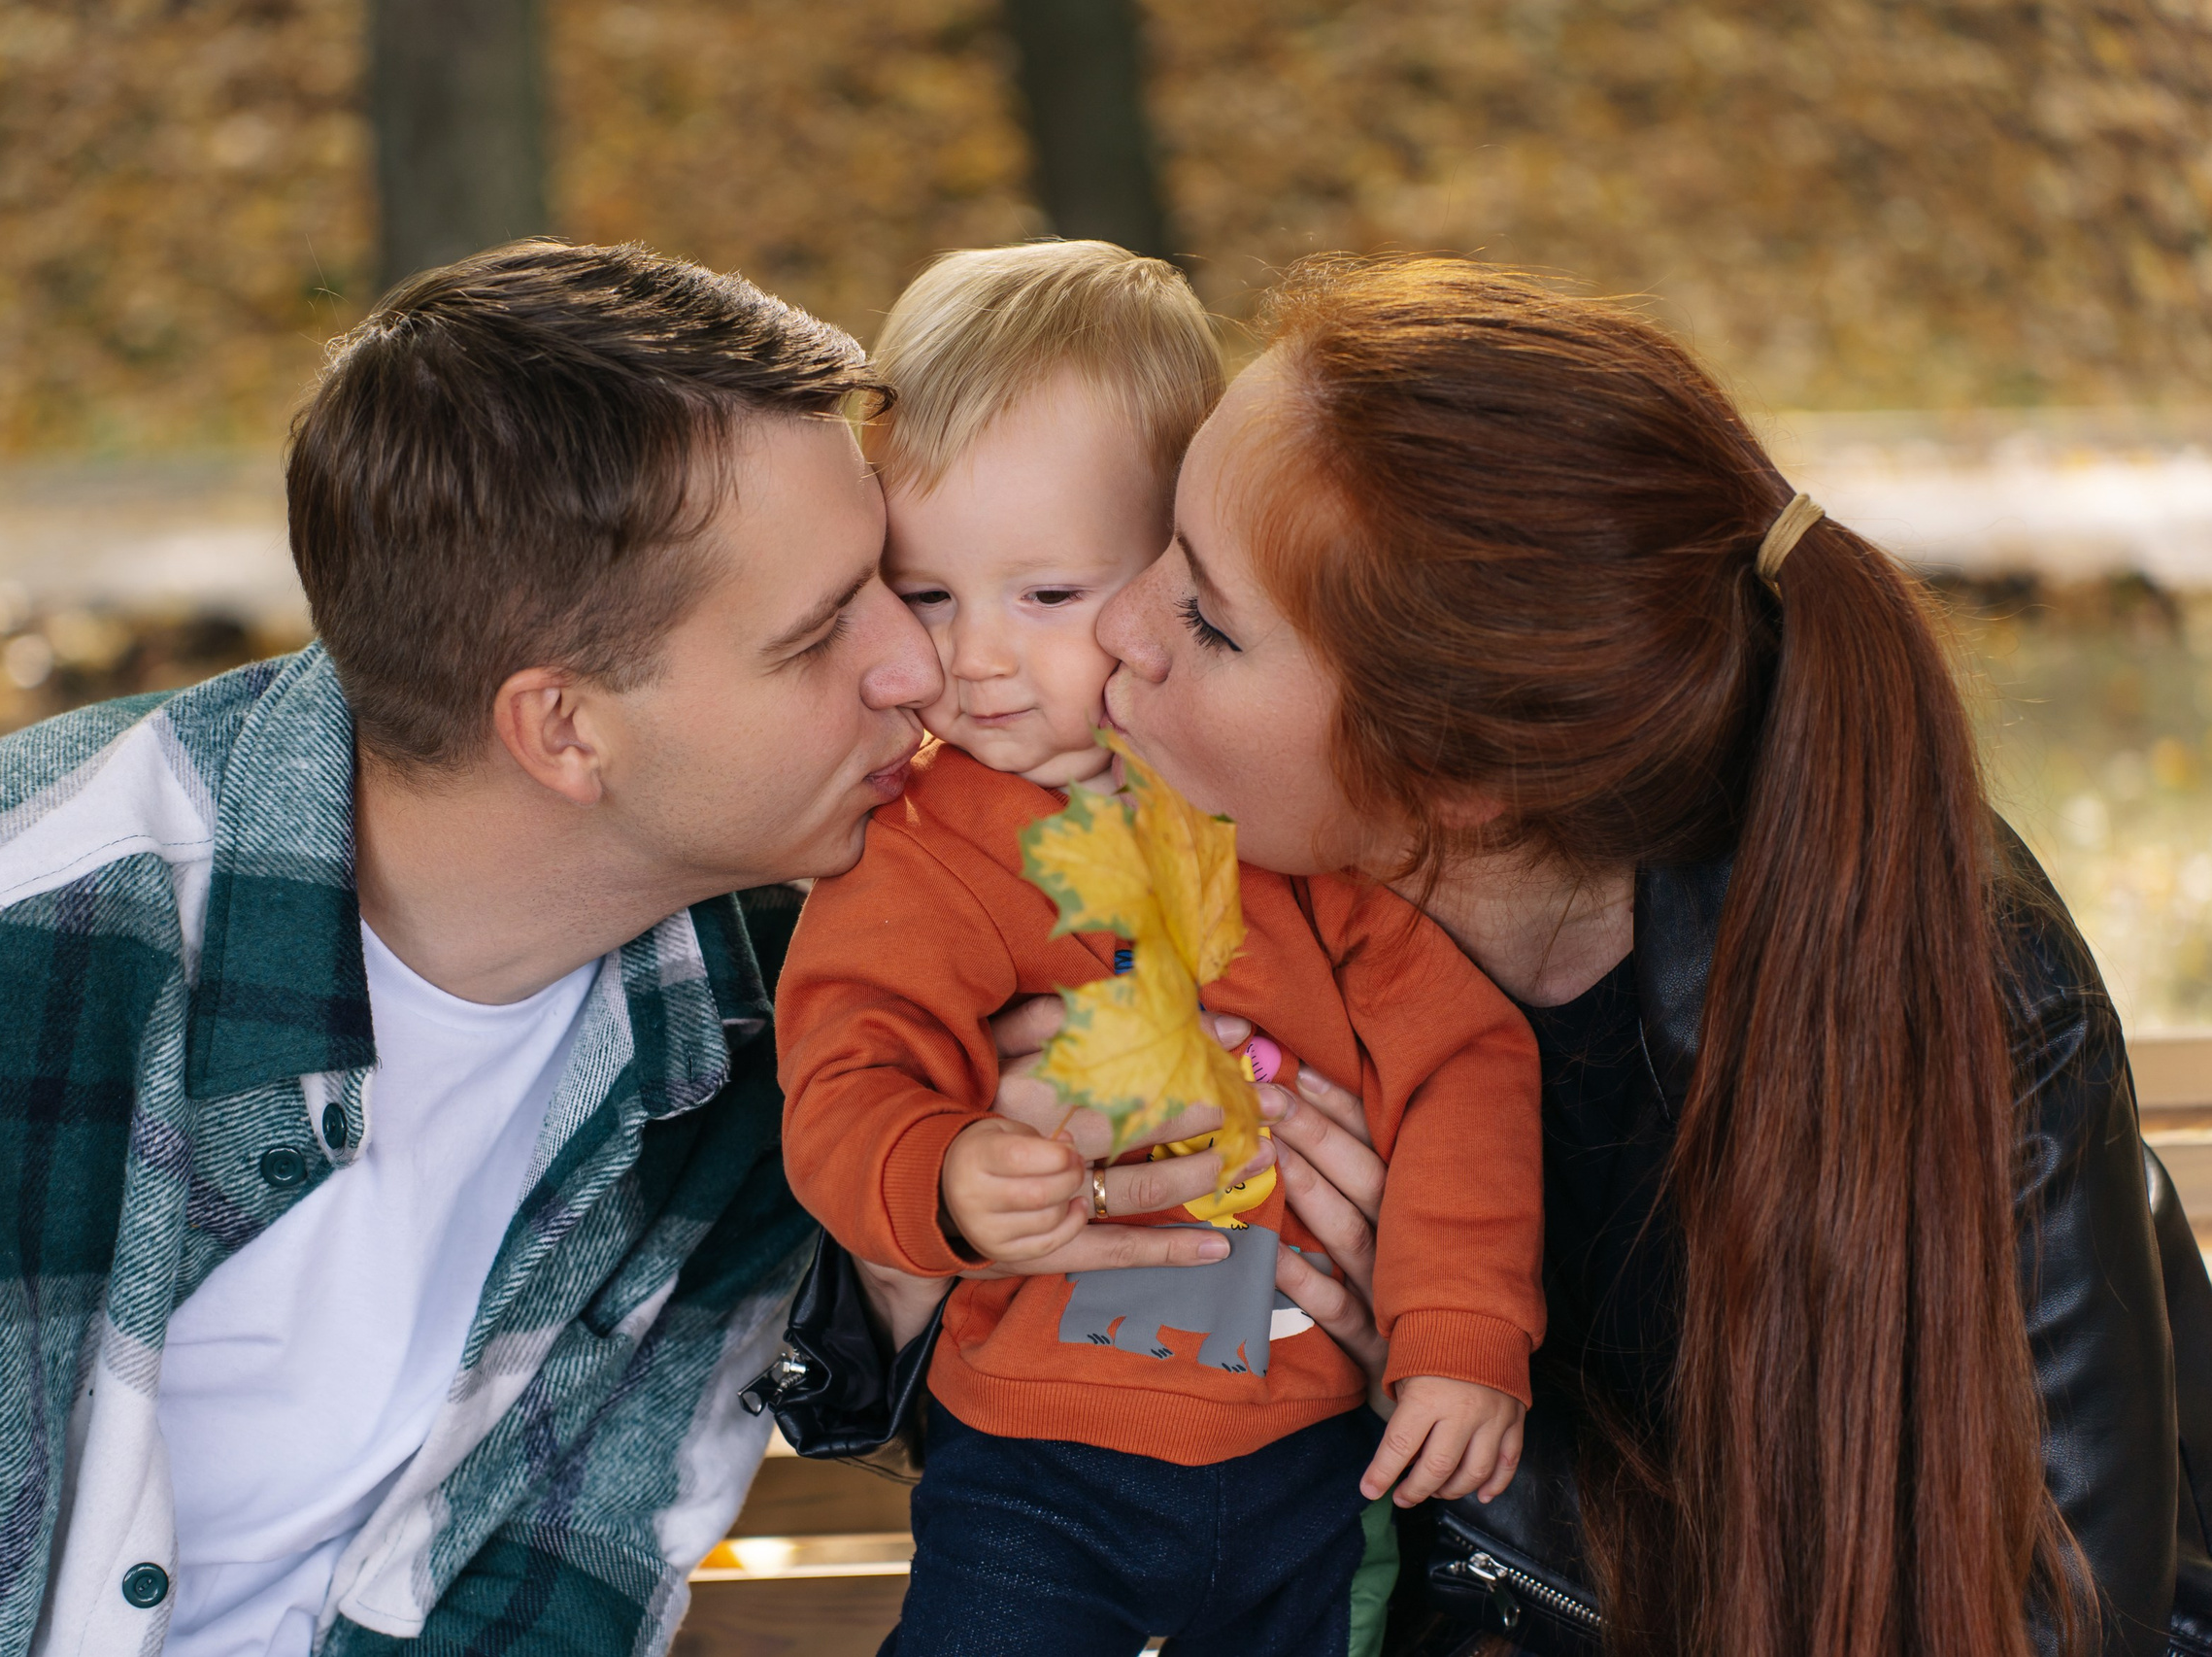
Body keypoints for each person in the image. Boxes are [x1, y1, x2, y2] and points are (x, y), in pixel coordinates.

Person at [804, 253, 2210, 1657]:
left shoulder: (1949, 989)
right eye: (1155, 546)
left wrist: (1426, 1397)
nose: (1118, 626)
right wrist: (921, 1251)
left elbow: (2046, 1617)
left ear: (1447, 776)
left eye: (1208, 620)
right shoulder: (1109, 869)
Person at [0, 239, 954, 1657]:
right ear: (563, 728)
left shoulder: (773, 1012)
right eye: (817, 637)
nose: (913, 665)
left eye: (891, 582)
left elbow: (574, 1569)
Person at [773, 242, 1544, 1657]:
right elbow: (845, 1062)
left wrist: (1459, 1330)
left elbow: (1465, 1064)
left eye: (1048, 595)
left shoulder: (1273, 811)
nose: (977, 658)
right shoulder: (928, 844)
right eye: (929, 594)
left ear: (1171, 577)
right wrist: (938, 1175)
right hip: (1037, 1461)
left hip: (1313, 1455)